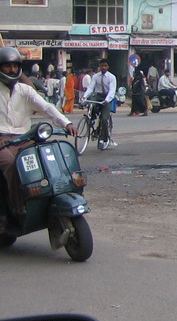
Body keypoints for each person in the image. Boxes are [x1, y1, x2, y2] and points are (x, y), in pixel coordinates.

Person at [0, 47, 77, 226]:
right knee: (12, 165)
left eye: (14, 66)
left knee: (45, 160)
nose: (12, 70)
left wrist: (67, 123)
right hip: (2, 142)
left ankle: (46, 199)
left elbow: (47, 107)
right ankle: (18, 208)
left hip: (25, 139)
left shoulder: (24, 90)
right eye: (7, 66)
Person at [82, 59, 118, 147]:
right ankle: (91, 121)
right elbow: (91, 88)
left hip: (106, 98)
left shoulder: (111, 77)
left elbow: (112, 90)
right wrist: (85, 96)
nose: (103, 67)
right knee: (90, 106)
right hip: (97, 96)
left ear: (108, 67)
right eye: (102, 66)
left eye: (105, 66)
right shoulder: (95, 76)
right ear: (99, 66)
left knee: (104, 119)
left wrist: (107, 100)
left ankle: (103, 139)